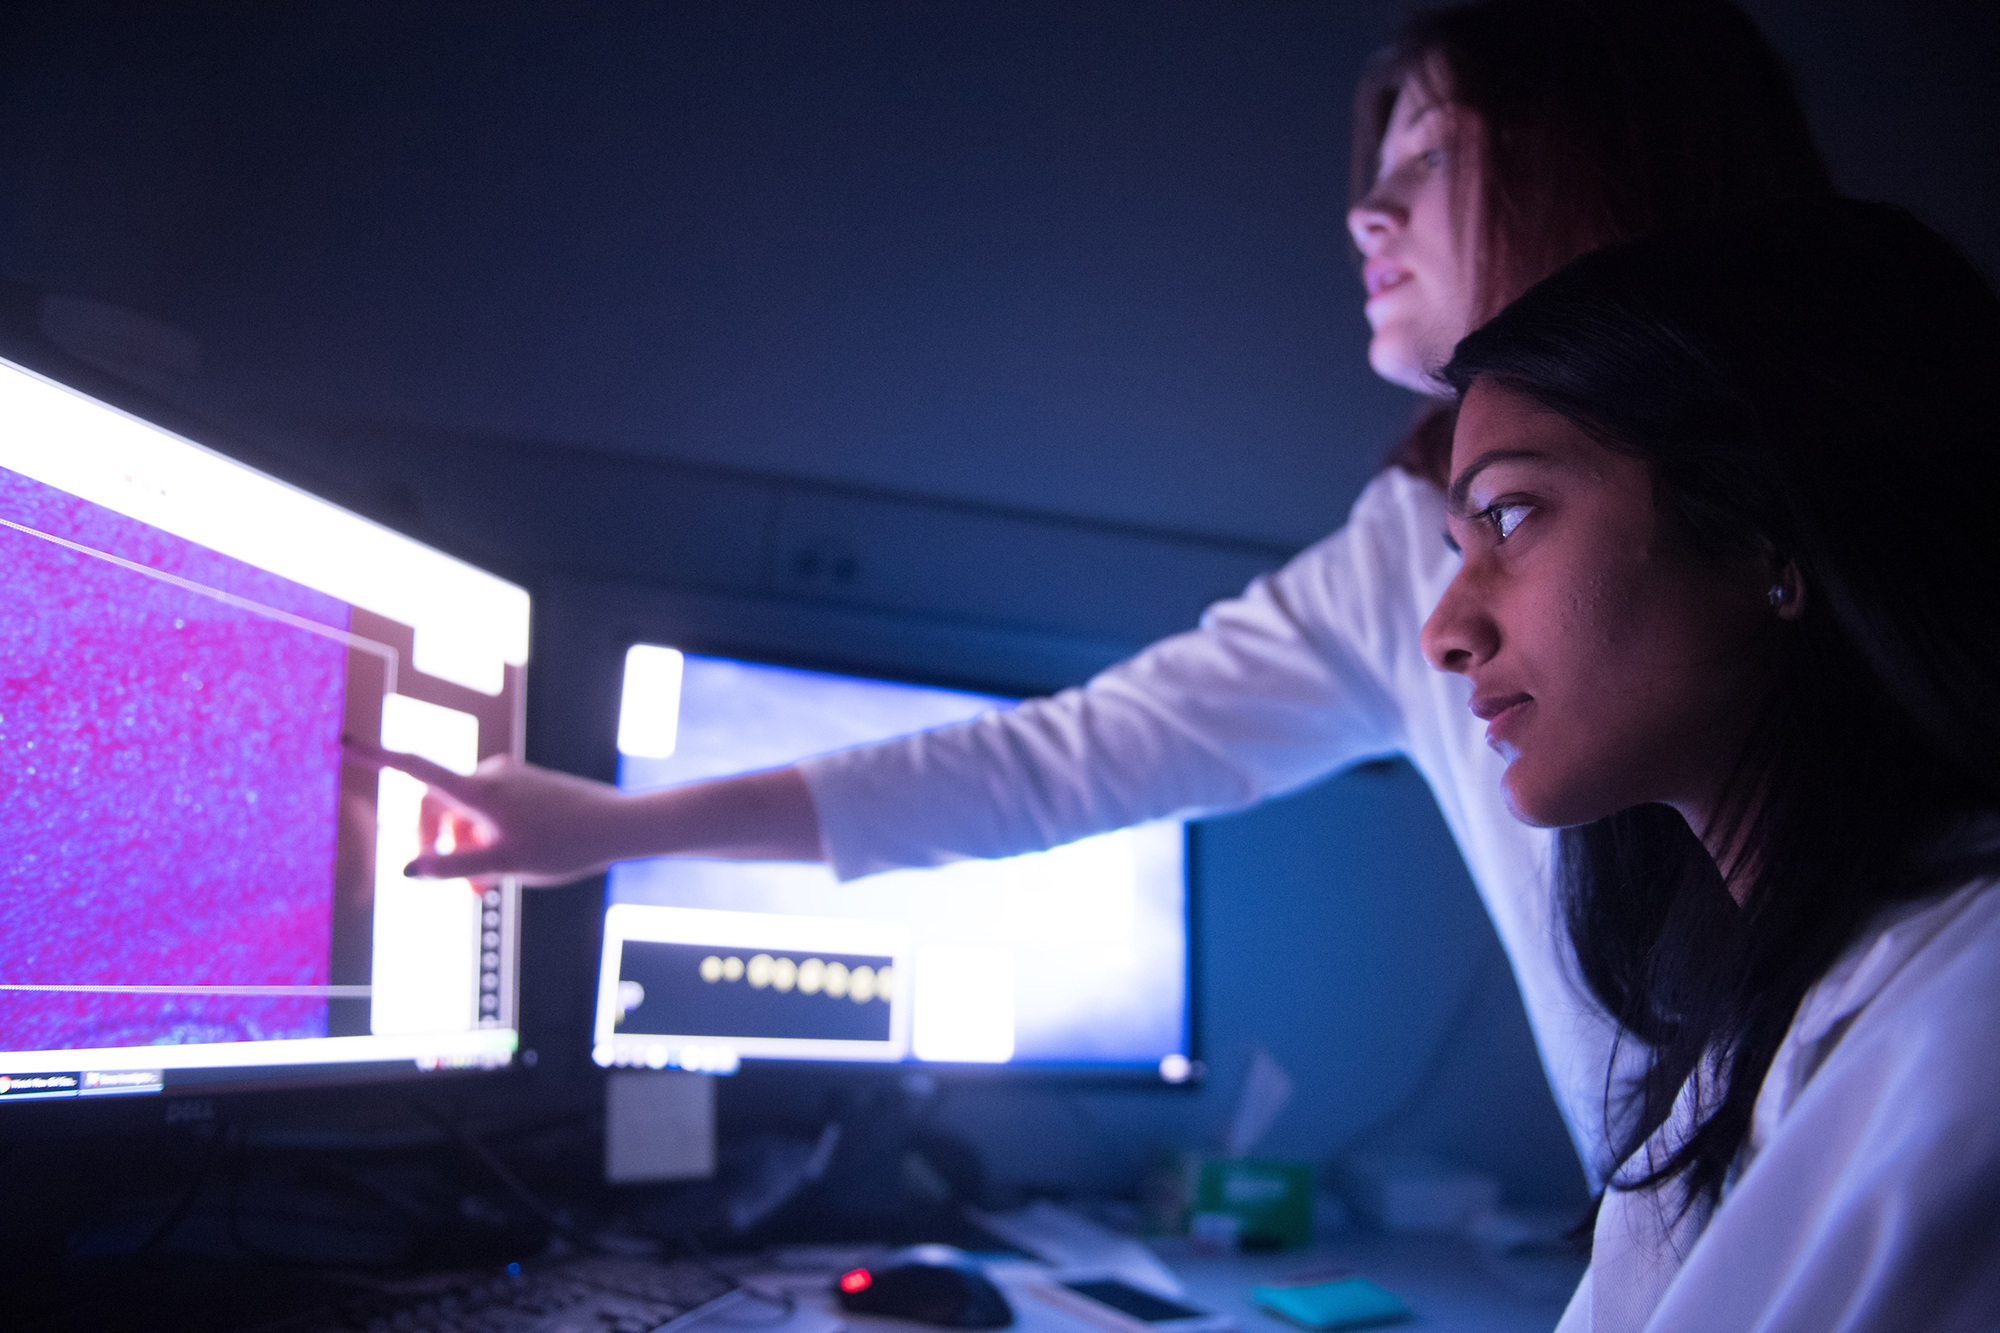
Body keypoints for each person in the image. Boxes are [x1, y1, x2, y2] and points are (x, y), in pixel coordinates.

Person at [356, 0, 1834, 1181]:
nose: (1363, 214)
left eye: (1429, 157)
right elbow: (1051, 764)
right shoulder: (1403, 547)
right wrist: (616, 827)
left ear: (1607, 152)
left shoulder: (1878, 517)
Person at [1424, 196, 2000, 1329]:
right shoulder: (1753, 1032)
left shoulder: (1964, 1025)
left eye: (1507, 514)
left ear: (1762, 526)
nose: (1444, 630)